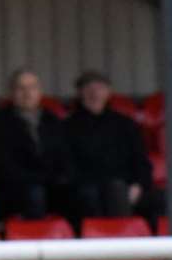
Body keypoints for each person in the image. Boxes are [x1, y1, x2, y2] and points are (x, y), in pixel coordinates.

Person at [63, 71, 156, 223]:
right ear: (80, 93)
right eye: (89, 89)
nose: (95, 94)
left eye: (99, 88)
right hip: (88, 189)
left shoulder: (126, 125)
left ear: (108, 92)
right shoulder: (68, 128)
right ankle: (120, 240)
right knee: (110, 191)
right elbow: (67, 168)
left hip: (128, 187)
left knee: (165, 199)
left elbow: (141, 161)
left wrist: (138, 185)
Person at [0, 69, 71, 221]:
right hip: (16, 188)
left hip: (51, 185)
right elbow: (3, 165)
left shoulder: (53, 121)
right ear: (11, 93)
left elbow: (63, 157)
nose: (27, 93)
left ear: (40, 91)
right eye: (21, 88)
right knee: (34, 193)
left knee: (83, 191)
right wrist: (40, 179)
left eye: (32, 87)